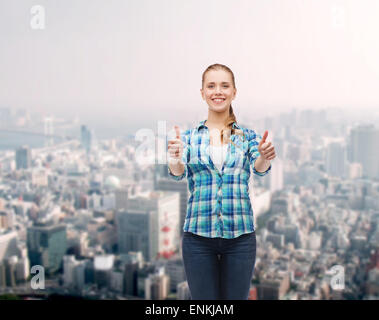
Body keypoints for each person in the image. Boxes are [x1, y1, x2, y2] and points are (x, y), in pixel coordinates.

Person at [167, 63, 276, 300]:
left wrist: (265, 156)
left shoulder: (247, 136)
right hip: (197, 238)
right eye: (211, 86)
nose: (218, 91)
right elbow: (177, 173)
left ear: (234, 92)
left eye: (225, 86)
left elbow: (259, 168)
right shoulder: (189, 137)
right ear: (202, 93)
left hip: (240, 237)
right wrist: (174, 157)